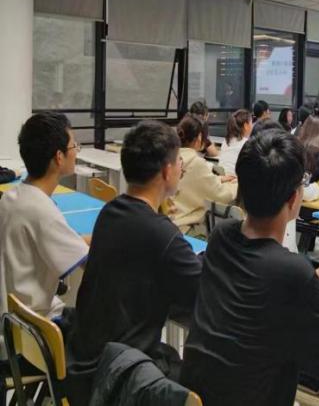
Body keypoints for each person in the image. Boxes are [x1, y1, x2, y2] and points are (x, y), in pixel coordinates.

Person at [180, 130, 319, 406]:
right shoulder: (293, 272)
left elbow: (256, 285)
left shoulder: (222, 236)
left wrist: (312, 282)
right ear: (293, 199)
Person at [68, 121, 203, 403]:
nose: (182, 167)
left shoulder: (110, 212)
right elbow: (203, 293)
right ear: (166, 171)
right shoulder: (162, 234)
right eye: (179, 161)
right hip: (118, 377)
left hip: (85, 362)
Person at [0, 112, 89, 321]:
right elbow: (90, 264)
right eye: (74, 146)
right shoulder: (42, 212)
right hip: (38, 322)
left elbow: (68, 240)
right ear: (59, 157)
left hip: (14, 316)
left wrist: (100, 238)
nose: (76, 151)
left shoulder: (12, 198)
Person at [171, 115, 237, 234]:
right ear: (200, 137)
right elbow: (222, 196)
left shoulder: (171, 156)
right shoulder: (196, 162)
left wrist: (218, 179)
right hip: (184, 228)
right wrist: (235, 185)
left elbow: (191, 182)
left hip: (168, 223)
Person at [219, 109, 253, 176]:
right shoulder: (247, 144)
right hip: (236, 179)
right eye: (251, 122)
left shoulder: (226, 141)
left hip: (221, 177)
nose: (252, 126)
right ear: (246, 126)